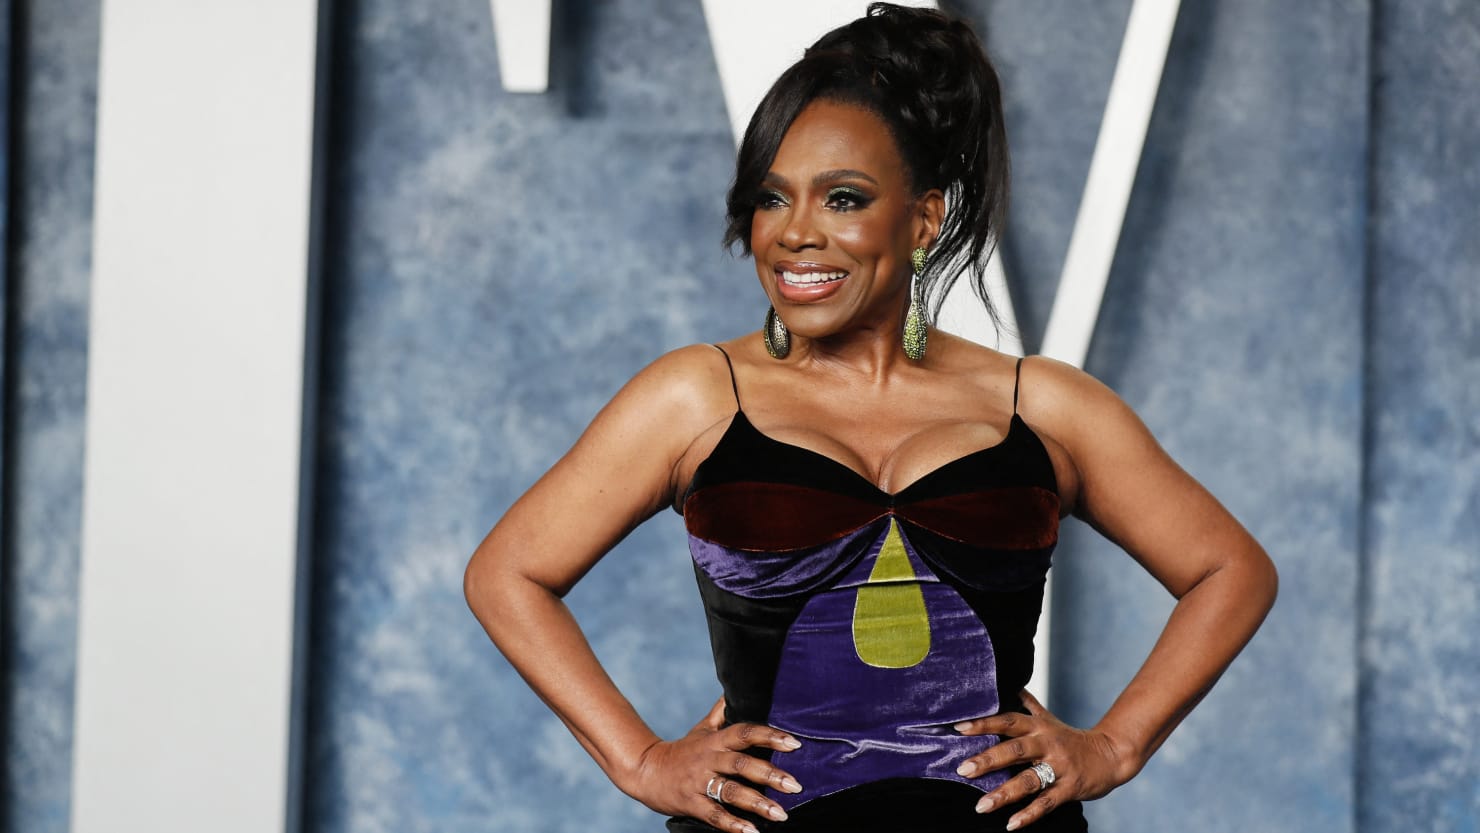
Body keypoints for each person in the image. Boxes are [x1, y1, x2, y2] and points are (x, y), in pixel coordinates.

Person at [464, 5, 1278, 832]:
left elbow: (1230, 568)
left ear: (924, 219)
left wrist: (1114, 745)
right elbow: (508, 573)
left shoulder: (1043, 405)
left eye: (842, 198)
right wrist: (640, 760)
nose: (795, 234)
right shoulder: (696, 396)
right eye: (772, 199)